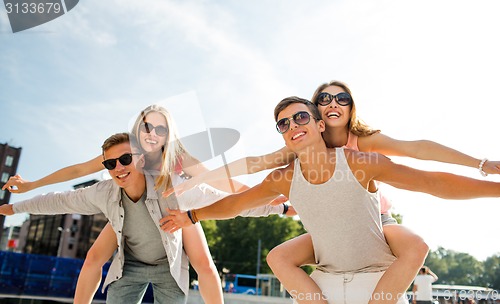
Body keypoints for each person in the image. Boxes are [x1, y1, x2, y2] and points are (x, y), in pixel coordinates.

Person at [163, 80, 500, 304]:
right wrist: (193, 209)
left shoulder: (364, 151)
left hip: (375, 223)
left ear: (323, 122)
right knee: (278, 256)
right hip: (326, 232)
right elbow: (242, 189)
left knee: (416, 244)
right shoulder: (287, 167)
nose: (293, 125)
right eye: (285, 123)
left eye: (300, 118)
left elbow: (425, 167)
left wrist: (483, 168)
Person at [2, 105, 288, 304]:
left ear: (168, 134)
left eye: (160, 129)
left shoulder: (177, 157)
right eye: (147, 127)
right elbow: (77, 172)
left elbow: (218, 185)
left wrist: (267, 196)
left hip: (175, 208)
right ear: (138, 130)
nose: (153, 134)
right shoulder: (122, 151)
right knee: (93, 257)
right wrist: (32, 185)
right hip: (128, 211)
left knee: (203, 263)